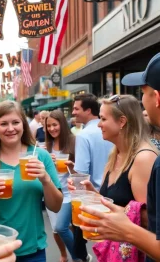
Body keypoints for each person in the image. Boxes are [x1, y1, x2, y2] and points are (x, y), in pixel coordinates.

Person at [79, 53, 160, 261]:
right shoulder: (115, 154)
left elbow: (148, 221)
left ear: (122, 122)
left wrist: (123, 227)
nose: (98, 125)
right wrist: (94, 196)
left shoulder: (144, 159)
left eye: (103, 119)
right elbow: (120, 204)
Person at [0, 100, 63, 261]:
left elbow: (56, 206)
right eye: (3, 124)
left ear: (23, 125)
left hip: (32, 250)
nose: (10, 128)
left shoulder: (40, 157)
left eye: (15, 122)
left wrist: (46, 180)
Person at [71, 93, 113, 262]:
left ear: (88, 110)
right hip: (115, 196)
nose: (73, 112)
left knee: (88, 246)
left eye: (76, 108)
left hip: (93, 197)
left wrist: (76, 202)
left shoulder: (83, 135)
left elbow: (81, 173)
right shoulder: (112, 131)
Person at [45, 110, 78, 262]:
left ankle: (79, 256)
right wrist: (46, 162)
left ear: (62, 124)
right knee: (56, 229)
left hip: (68, 192)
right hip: (53, 191)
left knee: (61, 227)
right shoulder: (47, 145)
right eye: (49, 126)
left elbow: (80, 172)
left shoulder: (73, 141)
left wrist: (71, 167)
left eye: (55, 125)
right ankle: (64, 254)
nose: (52, 128)